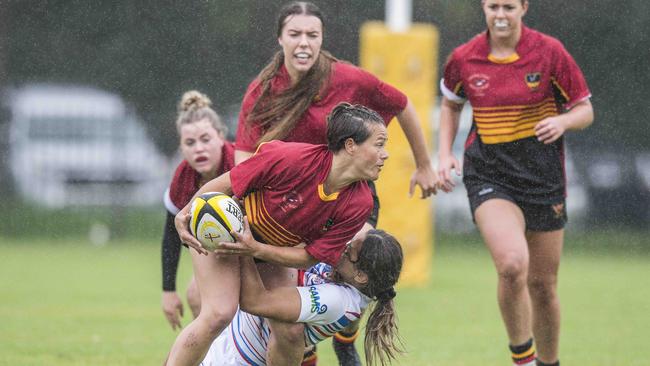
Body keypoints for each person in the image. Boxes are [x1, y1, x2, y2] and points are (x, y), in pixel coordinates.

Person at [235, 2, 438, 362]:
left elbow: (403, 103)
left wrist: (424, 165)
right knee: (300, 303)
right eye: (295, 34)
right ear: (279, 38)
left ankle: (346, 337)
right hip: (294, 206)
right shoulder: (263, 91)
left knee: (354, 260)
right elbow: (243, 163)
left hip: (348, 197)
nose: (303, 42)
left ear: (322, 39)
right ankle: (311, 348)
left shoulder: (347, 78)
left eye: (312, 35)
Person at [166, 103, 390, 366]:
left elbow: (309, 257)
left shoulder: (360, 202)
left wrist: (256, 250)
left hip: (271, 251)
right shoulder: (292, 158)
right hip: (227, 234)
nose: (385, 155)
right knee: (218, 314)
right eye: (379, 144)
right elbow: (225, 183)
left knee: (291, 331)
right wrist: (186, 213)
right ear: (351, 145)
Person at [436, 1, 594, 366]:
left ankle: (548, 362)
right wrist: (445, 154)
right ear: (484, 8)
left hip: (543, 180)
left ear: (524, 7)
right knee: (510, 264)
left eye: (509, 5)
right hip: (490, 175)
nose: (500, 14)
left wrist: (564, 122)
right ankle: (523, 359)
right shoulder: (465, 57)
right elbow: (450, 104)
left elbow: (585, 109)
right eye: (493, 6)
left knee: (542, 286)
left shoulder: (549, 52)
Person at [200, 227, 404, 366]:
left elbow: (255, 301)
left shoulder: (338, 302)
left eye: (348, 251)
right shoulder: (349, 272)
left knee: (291, 330)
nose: (342, 247)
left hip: (238, 359)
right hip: (231, 334)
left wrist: (246, 246)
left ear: (360, 276)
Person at [161, 90, 235, 330]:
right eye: (190, 143)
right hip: (221, 252)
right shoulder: (182, 179)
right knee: (195, 295)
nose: (198, 148)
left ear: (221, 136)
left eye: (206, 139)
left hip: (259, 250)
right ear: (181, 147)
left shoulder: (238, 163)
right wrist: (168, 291)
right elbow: (171, 236)